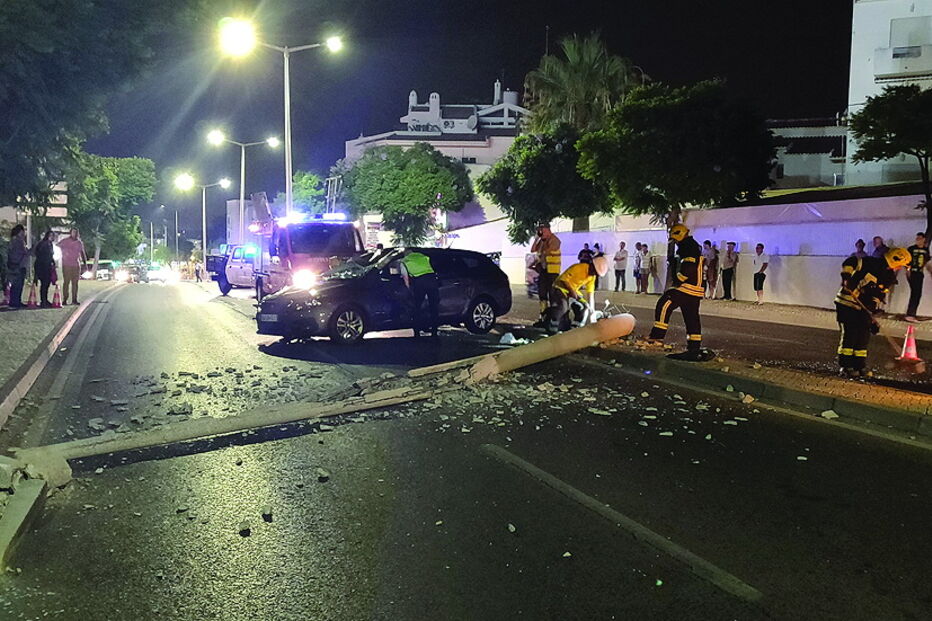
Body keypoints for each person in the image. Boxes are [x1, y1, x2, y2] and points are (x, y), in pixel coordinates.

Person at [835, 248, 909, 378]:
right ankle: (846, 366)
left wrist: (872, 318)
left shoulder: (889, 277)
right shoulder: (869, 262)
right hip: (847, 303)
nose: (899, 268)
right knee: (850, 335)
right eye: (900, 265)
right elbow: (850, 262)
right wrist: (846, 277)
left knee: (863, 337)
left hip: (864, 308)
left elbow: (877, 297)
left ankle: (859, 366)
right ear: (895, 261)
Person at [646, 224, 713, 361]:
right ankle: (694, 347)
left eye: (675, 240)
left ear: (680, 235)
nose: (675, 243)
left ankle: (656, 336)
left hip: (688, 287)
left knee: (665, 303)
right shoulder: (692, 246)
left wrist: (679, 279)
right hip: (696, 289)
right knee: (691, 318)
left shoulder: (688, 247)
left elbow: (689, 267)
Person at [547, 255, 609, 333]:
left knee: (584, 307)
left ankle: (575, 329)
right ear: (591, 265)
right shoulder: (579, 268)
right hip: (559, 288)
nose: (594, 274)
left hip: (572, 292)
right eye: (594, 271)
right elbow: (564, 280)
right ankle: (553, 329)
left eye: (596, 274)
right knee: (563, 308)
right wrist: (572, 291)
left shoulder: (592, 277)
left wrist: (592, 309)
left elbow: (590, 293)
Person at [400, 249, 440, 337]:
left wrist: (409, 289)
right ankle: (434, 331)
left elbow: (405, 278)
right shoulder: (422, 256)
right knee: (434, 307)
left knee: (416, 307)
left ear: (405, 254)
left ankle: (417, 331)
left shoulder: (404, 261)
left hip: (420, 282)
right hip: (432, 280)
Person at [530, 223, 561, 321]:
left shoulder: (554, 240)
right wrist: (536, 239)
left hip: (553, 272)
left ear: (547, 230)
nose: (540, 232)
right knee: (542, 293)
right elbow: (533, 250)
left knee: (553, 294)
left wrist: (541, 252)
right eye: (539, 230)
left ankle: (554, 317)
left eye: (542, 230)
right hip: (544, 270)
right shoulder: (541, 241)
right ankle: (543, 315)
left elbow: (547, 251)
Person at [905, 232, 931, 322]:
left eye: (920, 239)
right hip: (913, 273)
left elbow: (926, 261)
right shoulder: (911, 249)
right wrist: (908, 271)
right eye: (917, 239)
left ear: (924, 239)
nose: (918, 240)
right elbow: (906, 261)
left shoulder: (925, 250)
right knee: (915, 293)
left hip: (920, 273)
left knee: (917, 293)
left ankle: (911, 314)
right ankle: (910, 315)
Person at [58, 228, 87, 305]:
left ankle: (74, 299)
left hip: (76, 265)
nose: (75, 234)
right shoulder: (65, 241)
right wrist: (63, 253)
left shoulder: (79, 243)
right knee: (66, 282)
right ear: (70, 233)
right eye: (73, 232)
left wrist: (85, 264)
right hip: (66, 264)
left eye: (76, 232)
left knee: (75, 283)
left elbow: (82, 253)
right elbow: (57, 246)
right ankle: (65, 299)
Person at [6, 225, 29, 308]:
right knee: (18, 285)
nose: (24, 233)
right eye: (23, 231)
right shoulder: (18, 241)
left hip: (14, 265)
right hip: (19, 265)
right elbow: (22, 253)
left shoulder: (13, 240)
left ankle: (14, 301)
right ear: (20, 232)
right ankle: (16, 302)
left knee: (15, 285)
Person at [34, 230, 55, 308]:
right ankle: (43, 301)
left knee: (46, 284)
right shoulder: (44, 244)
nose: (52, 237)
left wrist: (52, 262)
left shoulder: (50, 244)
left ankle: (45, 300)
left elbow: (50, 255)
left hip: (47, 266)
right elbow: (40, 254)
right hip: (42, 266)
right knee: (44, 284)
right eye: (51, 236)